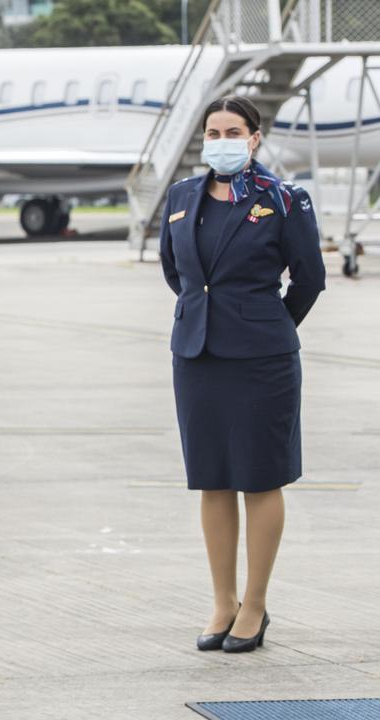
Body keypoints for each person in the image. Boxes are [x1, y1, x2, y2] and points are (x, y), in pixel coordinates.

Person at [159, 95, 326, 654]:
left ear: (254, 138)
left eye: (234, 130)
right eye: (214, 130)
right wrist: (206, 317)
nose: (222, 139)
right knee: (212, 479)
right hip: (198, 356)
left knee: (259, 477)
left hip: (261, 359)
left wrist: (265, 323)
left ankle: (254, 604)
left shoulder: (283, 199)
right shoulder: (182, 197)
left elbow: (309, 278)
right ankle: (222, 600)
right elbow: (175, 271)